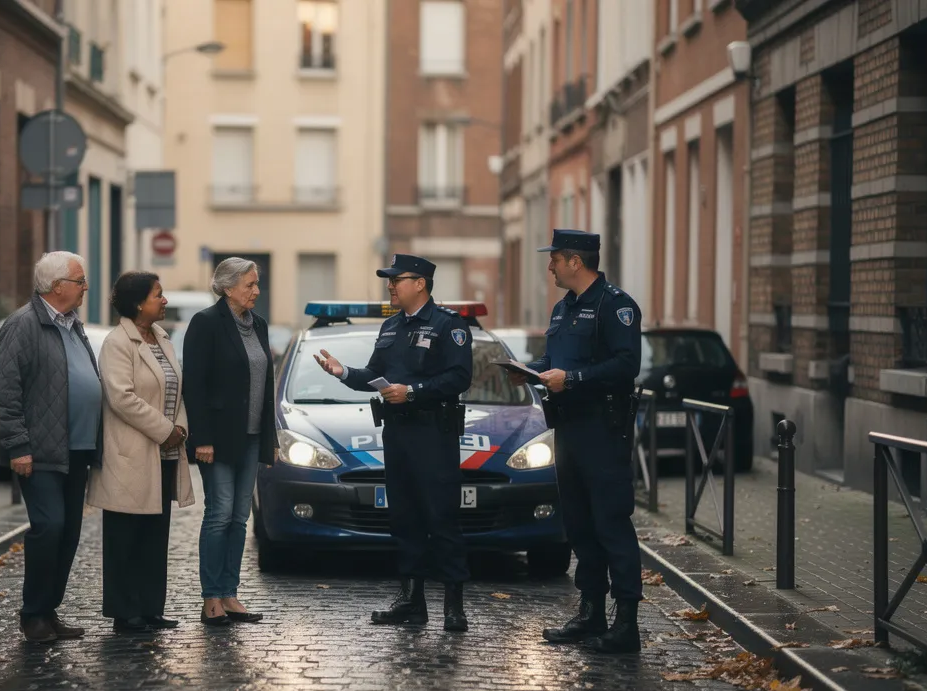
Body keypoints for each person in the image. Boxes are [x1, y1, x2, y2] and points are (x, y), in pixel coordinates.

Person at [313, 253, 473, 632]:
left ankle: (454, 604)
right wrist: (343, 372)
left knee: (441, 517)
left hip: (434, 434)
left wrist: (413, 392)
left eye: (396, 279)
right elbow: (374, 373)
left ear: (419, 283)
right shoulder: (390, 326)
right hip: (398, 433)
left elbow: (460, 377)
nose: (390, 286)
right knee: (404, 518)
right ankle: (412, 601)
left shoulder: (448, 324)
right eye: (389, 280)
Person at [510, 229, 644, 654]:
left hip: (603, 429)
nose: (549, 266)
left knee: (611, 524)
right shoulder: (562, 308)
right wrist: (530, 371)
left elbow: (627, 365)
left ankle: (626, 623)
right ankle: (591, 613)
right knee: (580, 526)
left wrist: (573, 378)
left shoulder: (615, 305)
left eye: (555, 259)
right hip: (567, 429)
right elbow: (555, 360)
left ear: (575, 261)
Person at [0, 251, 102, 644]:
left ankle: (49, 611)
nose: (85, 287)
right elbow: (4, 392)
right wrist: (18, 446)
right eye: (80, 281)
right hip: (39, 451)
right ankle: (33, 614)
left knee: (68, 532)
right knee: (49, 526)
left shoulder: (73, 324)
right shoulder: (23, 325)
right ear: (57, 287)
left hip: (78, 448)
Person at [86, 272, 195, 633]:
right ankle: (125, 611)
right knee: (125, 537)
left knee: (154, 536)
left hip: (164, 455)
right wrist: (165, 430)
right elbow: (121, 398)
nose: (164, 300)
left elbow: (176, 389)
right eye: (157, 295)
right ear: (137, 303)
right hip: (130, 456)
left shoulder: (162, 338)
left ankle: (150, 608)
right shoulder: (118, 343)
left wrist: (180, 429)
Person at [182, 258, 277, 626]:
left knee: (240, 517)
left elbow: (265, 385)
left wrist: (269, 437)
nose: (256, 291)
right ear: (227, 287)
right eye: (249, 284)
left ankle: (229, 593)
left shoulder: (260, 325)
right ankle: (211, 598)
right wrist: (202, 438)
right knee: (219, 514)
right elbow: (195, 384)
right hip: (218, 439)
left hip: (252, 437)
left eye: (256, 284)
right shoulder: (206, 323)